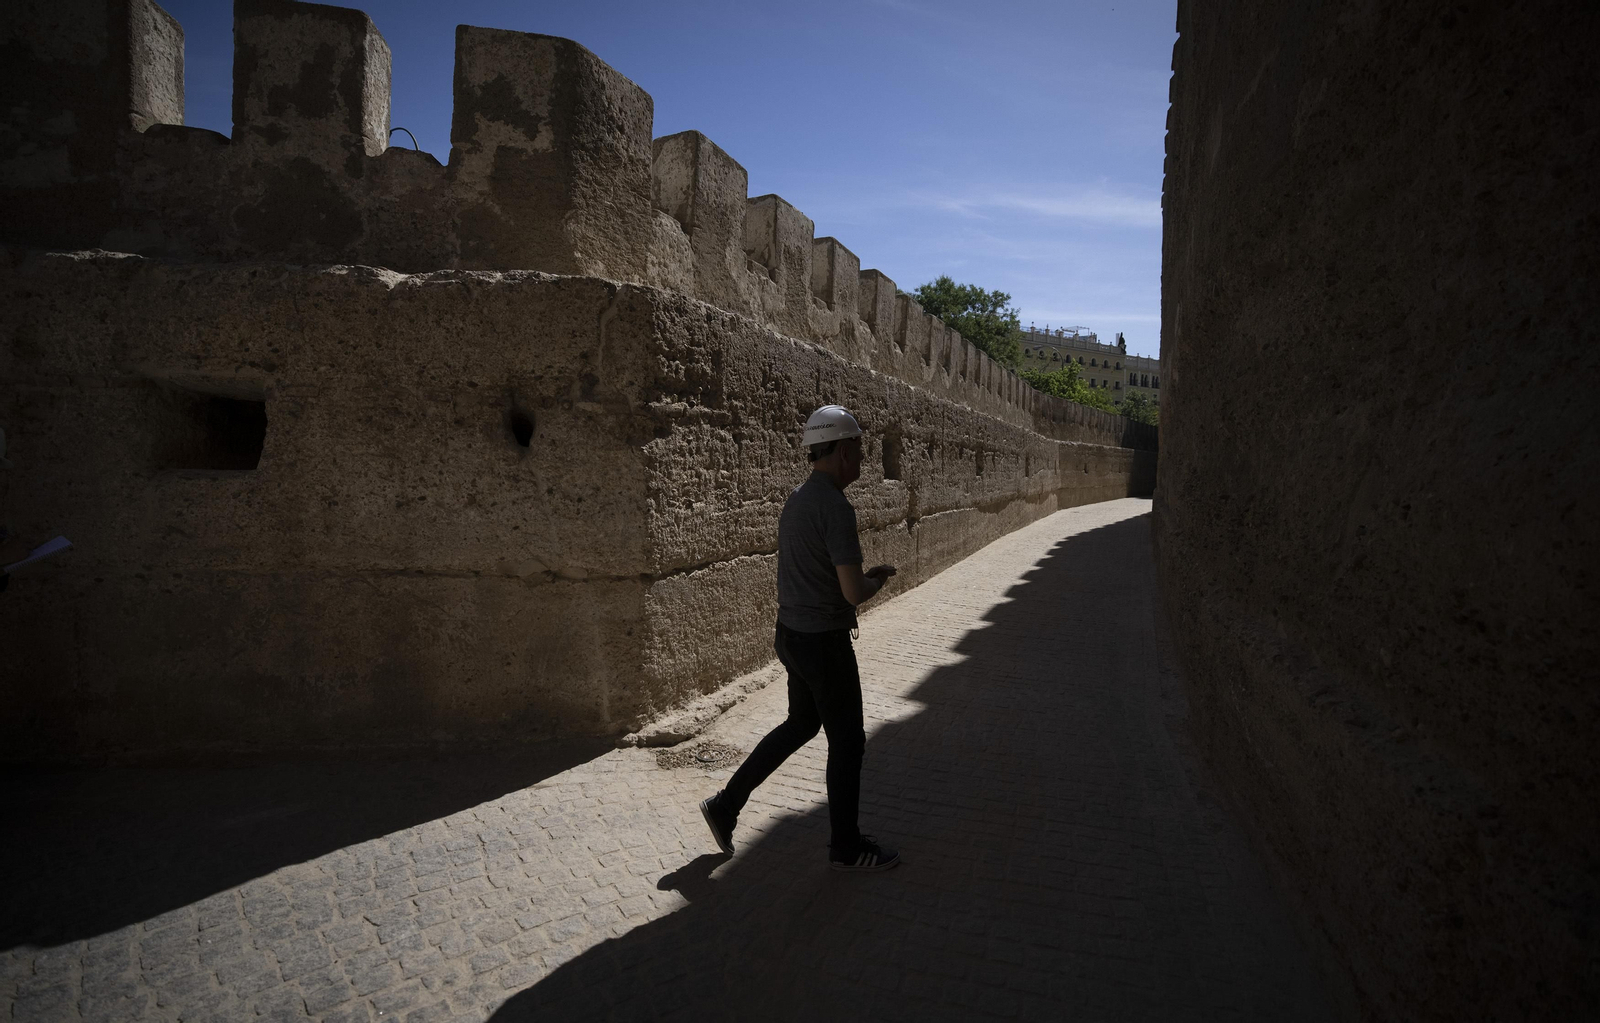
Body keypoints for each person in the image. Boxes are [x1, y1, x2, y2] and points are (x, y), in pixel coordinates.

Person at [699, 405, 901, 871]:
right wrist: (878, 581)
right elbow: (852, 591)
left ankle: (726, 805)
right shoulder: (835, 508)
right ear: (844, 451)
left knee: (801, 724)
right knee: (848, 743)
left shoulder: (796, 500)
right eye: (860, 452)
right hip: (824, 644)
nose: (863, 462)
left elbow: (811, 574)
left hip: (791, 635)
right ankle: (847, 848)